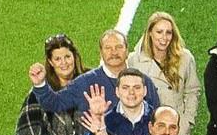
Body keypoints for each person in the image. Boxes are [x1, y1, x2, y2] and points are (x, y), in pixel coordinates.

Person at [26, 27, 160, 115]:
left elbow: (156, 119)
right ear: (101, 52)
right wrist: (40, 84)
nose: (114, 52)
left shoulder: (144, 82)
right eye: (108, 48)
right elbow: (55, 103)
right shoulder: (84, 82)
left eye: (118, 47)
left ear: (127, 51)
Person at [127, 10, 201, 135]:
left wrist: (186, 121)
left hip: (177, 128)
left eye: (168, 33)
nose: (164, 38)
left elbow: (192, 91)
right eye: (159, 32)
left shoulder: (185, 58)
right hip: (148, 129)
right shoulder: (134, 60)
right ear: (150, 33)